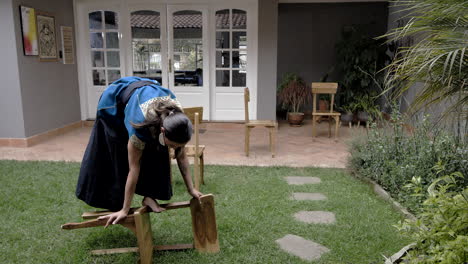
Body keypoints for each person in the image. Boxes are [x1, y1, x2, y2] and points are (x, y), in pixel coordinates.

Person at [76, 76, 203, 227]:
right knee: (120, 155)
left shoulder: (177, 119)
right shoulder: (140, 126)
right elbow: (133, 169)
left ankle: (149, 197)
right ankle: (117, 203)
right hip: (113, 106)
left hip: (145, 96)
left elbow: (181, 157)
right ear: (162, 130)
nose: (175, 149)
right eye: (174, 144)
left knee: (160, 148)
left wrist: (192, 189)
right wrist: (125, 210)